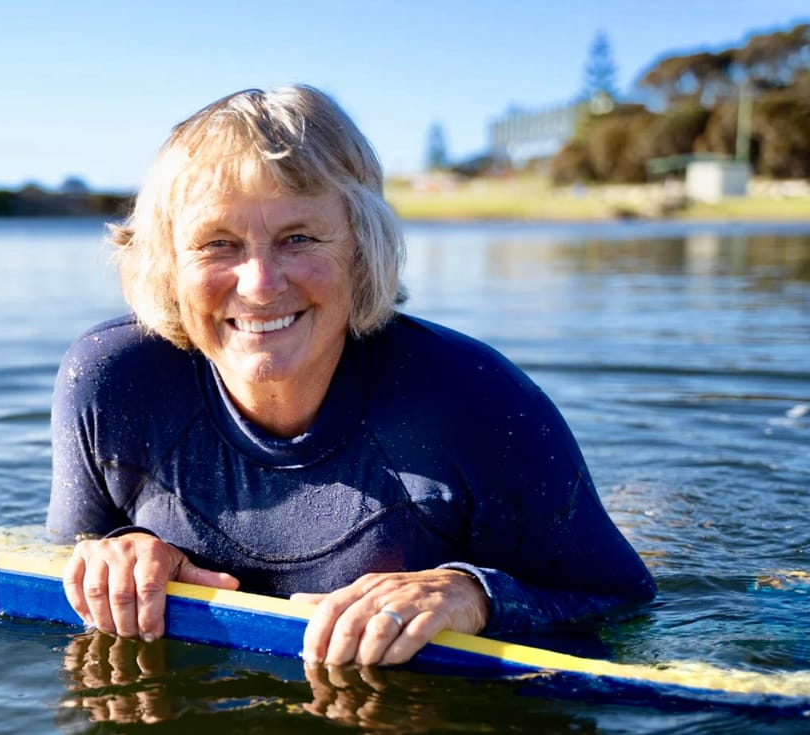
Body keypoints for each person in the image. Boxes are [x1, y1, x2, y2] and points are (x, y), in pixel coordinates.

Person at [46, 84, 655, 667]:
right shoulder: (112, 382)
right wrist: (117, 551)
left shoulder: (473, 398)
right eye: (217, 244)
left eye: (298, 237)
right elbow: (58, 560)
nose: (260, 285)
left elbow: (622, 601)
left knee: (651, 520)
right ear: (166, 262)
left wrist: (474, 595)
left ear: (362, 250)